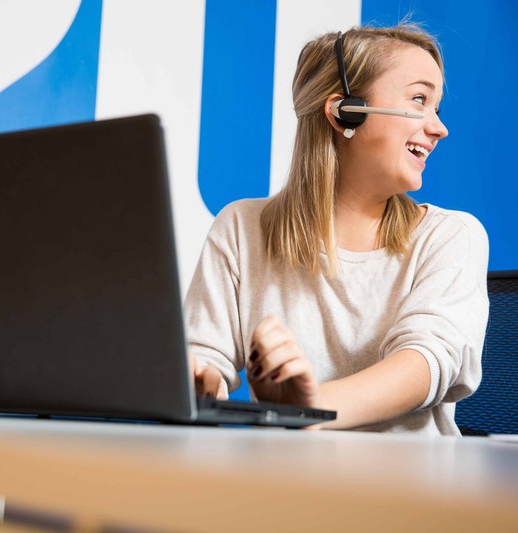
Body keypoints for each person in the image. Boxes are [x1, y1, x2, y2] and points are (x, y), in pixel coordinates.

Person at [184, 22, 489, 436]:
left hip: (409, 490)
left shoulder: (451, 236)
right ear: (346, 113)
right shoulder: (241, 227)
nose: (439, 128)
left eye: (436, 108)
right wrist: (198, 381)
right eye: (419, 100)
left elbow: (426, 361)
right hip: (284, 486)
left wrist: (312, 408)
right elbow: (202, 361)